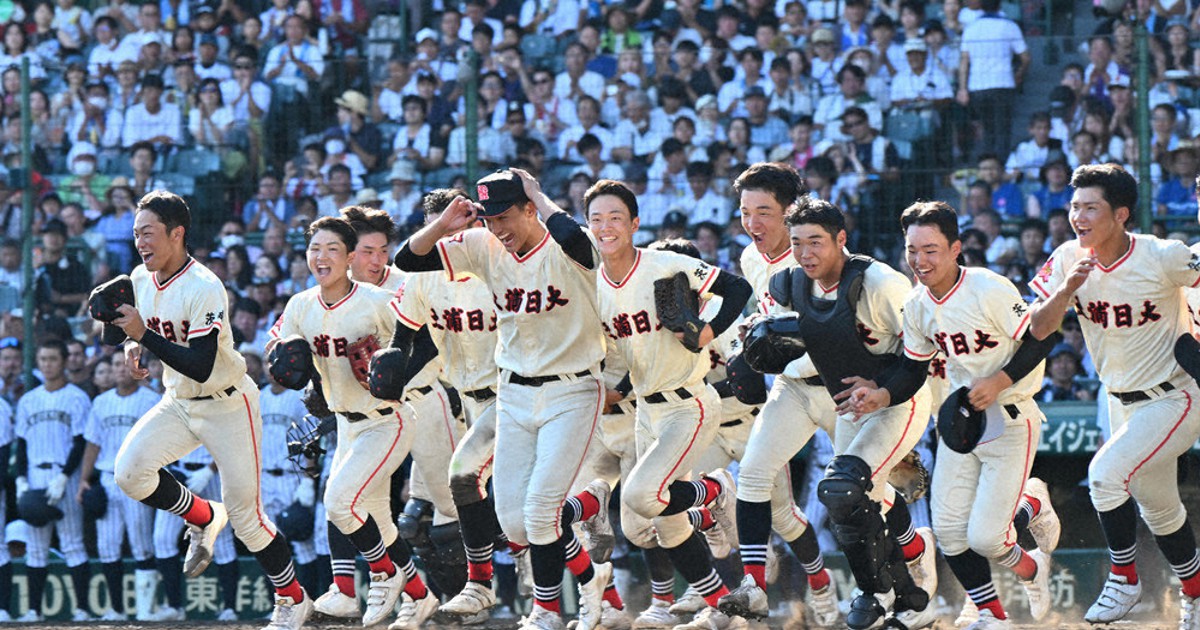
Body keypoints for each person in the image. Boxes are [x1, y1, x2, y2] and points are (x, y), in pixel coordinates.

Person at [394, 169, 612, 630]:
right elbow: (408, 261)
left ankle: (546, 612)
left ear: (531, 208)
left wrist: (539, 193)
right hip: (512, 393)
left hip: (572, 390)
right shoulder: (484, 245)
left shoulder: (566, 244)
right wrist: (445, 225)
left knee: (539, 511)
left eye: (505, 216)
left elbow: (585, 248)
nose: (497, 228)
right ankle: (589, 506)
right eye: (489, 218)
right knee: (514, 524)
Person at [102, 191, 312, 629]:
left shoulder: (205, 286)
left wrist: (143, 334)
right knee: (129, 472)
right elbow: (126, 328)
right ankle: (202, 515)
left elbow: (200, 365)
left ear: (177, 233)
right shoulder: (141, 277)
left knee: (248, 519)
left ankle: (293, 599)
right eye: (136, 232)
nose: (140, 241)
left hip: (228, 404)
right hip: (178, 403)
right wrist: (129, 343)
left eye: (148, 232)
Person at [729, 193, 939, 630]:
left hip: (895, 396)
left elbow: (922, 355)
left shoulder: (882, 284)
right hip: (829, 391)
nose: (805, 253)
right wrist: (748, 341)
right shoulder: (789, 282)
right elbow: (779, 326)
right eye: (798, 242)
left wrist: (883, 389)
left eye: (816, 242)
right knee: (758, 473)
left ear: (841, 239)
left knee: (851, 492)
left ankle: (908, 577)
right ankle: (756, 584)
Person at [850, 200, 1061, 628]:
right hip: (962, 420)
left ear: (955, 248)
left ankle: (1032, 506)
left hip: (1012, 415)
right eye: (912, 250)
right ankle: (996, 612)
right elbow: (912, 368)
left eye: (930, 249)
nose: (919, 260)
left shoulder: (989, 287)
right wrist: (882, 394)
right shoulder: (916, 305)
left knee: (986, 538)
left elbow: (1042, 338)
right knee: (949, 533)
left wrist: (1000, 380)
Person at [1027, 164, 1200, 626]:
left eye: (1091, 207)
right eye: (1074, 206)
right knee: (1160, 507)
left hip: (1175, 396)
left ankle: (1124, 579)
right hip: (1117, 399)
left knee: (1104, 475)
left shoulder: (1163, 256)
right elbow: (1040, 329)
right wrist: (1068, 288)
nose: (1078, 216)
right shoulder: (1067, 258)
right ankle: (1197, 596)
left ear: (1121, 213)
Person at [587, 180, 752, 630]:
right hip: (646, 410)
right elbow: (620, 358)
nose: (606, 227)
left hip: (690, 405)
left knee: (642, 497)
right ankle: (724, 611)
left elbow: (736, 289)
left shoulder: (664, 264)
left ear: (635, 224)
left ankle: (716, 491)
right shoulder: (595, 286)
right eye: (596, 219)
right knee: (668, 527)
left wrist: (707, 331)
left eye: (615, 218)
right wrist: (609, 391)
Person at [268, 215, 432, 629]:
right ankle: (419, 595)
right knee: (377, 524)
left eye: (332, 250)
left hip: (387, 421)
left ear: (349, 257)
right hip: (347, 425)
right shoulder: (300, 305)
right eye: (315, 249)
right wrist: (293, 368)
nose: (322, 257)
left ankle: (384, 575)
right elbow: (281, 350)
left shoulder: (375, 300)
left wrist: (398, 373)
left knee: (339, 502)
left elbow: (426, 342)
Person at [714, 163, 840, 627]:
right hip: (792, 390)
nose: (753, 224)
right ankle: (754, 586)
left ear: (791, 212)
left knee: (864, 497)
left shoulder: (820, 254)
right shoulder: (751, 258)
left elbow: (835, 331)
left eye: (764, 212)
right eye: (745, 212)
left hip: (844, 386)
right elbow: (766, 328)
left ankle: (897, 584)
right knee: (754, 478)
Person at [387, 189, 506, 623]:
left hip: (514, 393)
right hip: (469, 403)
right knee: (485, 510)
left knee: (513, 506)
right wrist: (388, 373)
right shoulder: (422, 278)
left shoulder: (496, 263)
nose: (448, 240)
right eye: (438, 231)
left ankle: (494, 589)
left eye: (457, 227)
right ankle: (473, 596)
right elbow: (408, 342)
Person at [77, 352, 161, 621]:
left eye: (127, 364)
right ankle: (116, 609)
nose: (121, 369)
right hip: (107, 476)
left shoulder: (150, 400)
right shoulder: (101, 402)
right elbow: (93, 444)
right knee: (108, 545)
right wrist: (83, 479)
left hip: (139, 477)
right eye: (115, 364)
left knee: (142, 543)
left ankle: (147, 609)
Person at [13, 340, 93, 622]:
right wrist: (21, 479)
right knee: (35, 548)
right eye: (43, 359)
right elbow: (21, 444)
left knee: (73, 543)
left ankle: (82, 609)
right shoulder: (27, 400)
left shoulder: (76, 398)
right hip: (35, 474)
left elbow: (81, 441)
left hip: (65, 476)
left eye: (53, 359)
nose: (48, 364)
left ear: (63, 362)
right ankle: (33, 611)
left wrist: (64, 476)